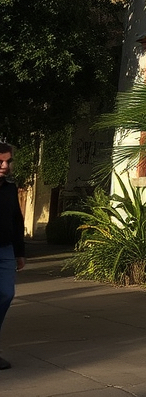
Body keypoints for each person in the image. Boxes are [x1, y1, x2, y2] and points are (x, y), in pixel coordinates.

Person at [0, 143, 26, 370]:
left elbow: (17, 221)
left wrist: (20, 252)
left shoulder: (10, 188)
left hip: (5, 250)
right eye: (0, 161)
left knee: (6, 294)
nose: (5, 166)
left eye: (8, 161)